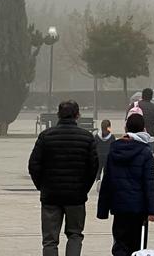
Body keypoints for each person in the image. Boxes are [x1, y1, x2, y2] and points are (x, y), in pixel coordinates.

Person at [28, 100, 99, 256]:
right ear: (78, 115)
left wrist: (42, 186)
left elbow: (34, 165)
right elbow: (93, 167)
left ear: (58, 115)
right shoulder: (86, 138)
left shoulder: (46, 136)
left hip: (51, 195)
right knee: (75, 234)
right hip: (76, 196)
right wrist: (83, 188)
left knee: (50, 239)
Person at [98, 113, 154, 256]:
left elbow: (107, 180)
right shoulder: (146, 152)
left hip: (119, 207)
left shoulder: (114, 149)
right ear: (143, 129)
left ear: (126, 128)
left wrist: (102, 210)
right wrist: (153, 211)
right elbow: (150, 183)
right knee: (138, 246)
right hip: (139, 208)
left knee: (120, 244)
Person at [128, 88, 154, 155]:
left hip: (136, 137)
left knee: (135, 158)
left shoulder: (134, 105)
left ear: (142, 95)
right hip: (150, 137)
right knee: (149, 159)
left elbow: (127, 121)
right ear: (151, 97)